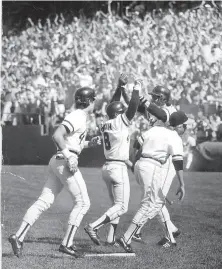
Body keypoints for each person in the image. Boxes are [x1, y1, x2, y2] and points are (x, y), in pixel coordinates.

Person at [8, 87, 101, 258]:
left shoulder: (79, 116)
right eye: (93, 100)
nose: (95, 103)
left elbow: (71, 141)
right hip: (65, 160)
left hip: (58, 160)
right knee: (83, 203)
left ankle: (18, 236)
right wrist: (69, 157)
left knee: (44, 200)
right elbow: (57, 135)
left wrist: (88, 144)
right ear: (88, 101)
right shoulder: (77, 116)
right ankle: (67, 244)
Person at [119, 85, 181, 246]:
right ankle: (171, 231)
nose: (153, 98)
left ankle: (136, 231)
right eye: (152, 96)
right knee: (155, 198)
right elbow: (134, 104)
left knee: (155, 201)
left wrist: (146, 102)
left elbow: (162, 114)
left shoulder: (170, 110)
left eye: (156, 96)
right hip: (156, 156)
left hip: (166, 158)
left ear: (163, 98)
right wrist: (127, 91)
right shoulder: (153, 109)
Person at [84, 76, 142, 246]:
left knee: (116, 205)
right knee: (122, 206)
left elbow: (112, 105)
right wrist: (136, 88)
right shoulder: (119, 122)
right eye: (121, 111)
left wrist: (120, 87)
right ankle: (93, 226)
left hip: (107, 167)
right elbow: (133, 107)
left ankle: (110, 238)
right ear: (118, 114)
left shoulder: (106, 122)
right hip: (118, 167)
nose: (124, 112)